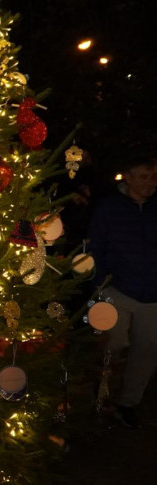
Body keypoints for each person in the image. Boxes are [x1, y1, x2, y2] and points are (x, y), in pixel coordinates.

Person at [87, 154, 157, 429]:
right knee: (112, 344)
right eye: (144, 176)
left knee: (147, 351)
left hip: (152, 294)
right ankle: (101, 395)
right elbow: (95, 247)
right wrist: (99, 284)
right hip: (117, 288)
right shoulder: (110, 208)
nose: (150, 183)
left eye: (154, 177)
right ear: (127, 176)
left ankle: (128, 403)